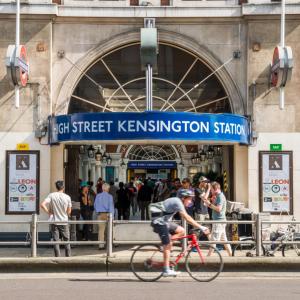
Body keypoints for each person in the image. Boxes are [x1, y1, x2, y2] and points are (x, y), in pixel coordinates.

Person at [149, 189, 210, 277]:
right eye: (189, 199)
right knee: (167, 245)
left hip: (165, 221)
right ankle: (166, 270)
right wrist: (201, 227)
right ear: (183, 198)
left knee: (182, 231)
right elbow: (186, 217)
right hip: (159, 222)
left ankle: (168, 243)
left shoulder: (179, 202)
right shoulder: (177, 202)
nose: (190, 201)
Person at [40, 180, 72, 257]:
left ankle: (57, 257)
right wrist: (66, 213)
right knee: (66, 240)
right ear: (63, 187)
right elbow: (69, 211)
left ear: (56, 187)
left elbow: (42, 204)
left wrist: (49, 212)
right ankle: (68, 257)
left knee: (55, 240)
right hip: (64, 221)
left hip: (54, 221)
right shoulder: (67, 197)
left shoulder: (51, 195)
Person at [203, 182, 232, 256]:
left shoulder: (220, 197)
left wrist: (209, 204)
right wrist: (212, 201)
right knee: (224, 240)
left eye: (211, 189)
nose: (211, 191)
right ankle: (231, 255)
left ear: (215, 189)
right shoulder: (218, 196)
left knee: (213, 241)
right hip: (220, 221)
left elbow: (218, 209)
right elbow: (215, 206)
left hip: (218, 221)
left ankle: (207, 259)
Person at [94, 183, 114, 249]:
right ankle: (109, 244)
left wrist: (98, 211)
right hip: (108, 214)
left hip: (100, 214)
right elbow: (111, 207)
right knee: (109, 230)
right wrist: (112, 216)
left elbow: (95, 205)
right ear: (108, 189)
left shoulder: (98, 196)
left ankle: (101, 245)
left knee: (101, 230)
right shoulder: (110, 196)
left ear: (102, 189)